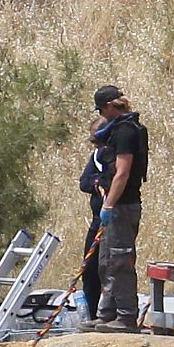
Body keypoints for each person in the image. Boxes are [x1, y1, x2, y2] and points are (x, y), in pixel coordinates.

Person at [83, 85, 149, 333]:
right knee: (106, 262)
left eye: (101, 109)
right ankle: (106, 314)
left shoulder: (125, 132)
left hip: (122, 206)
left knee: (120, 261)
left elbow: (122, 173)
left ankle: (126, 316)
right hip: (116, 206)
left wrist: (108, 204)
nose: (101, 113)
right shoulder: (118, 130)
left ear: (111, 106)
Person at [77, 117, 115, 319]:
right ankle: (92, 315)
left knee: (110, 269)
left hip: (113, 221)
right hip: (96, 221)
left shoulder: (116, 154)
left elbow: (118, 178)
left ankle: (112, 315)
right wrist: (97, 181)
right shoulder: (96, 158)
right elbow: (84, 182)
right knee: (89, 270)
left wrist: (104, 181)